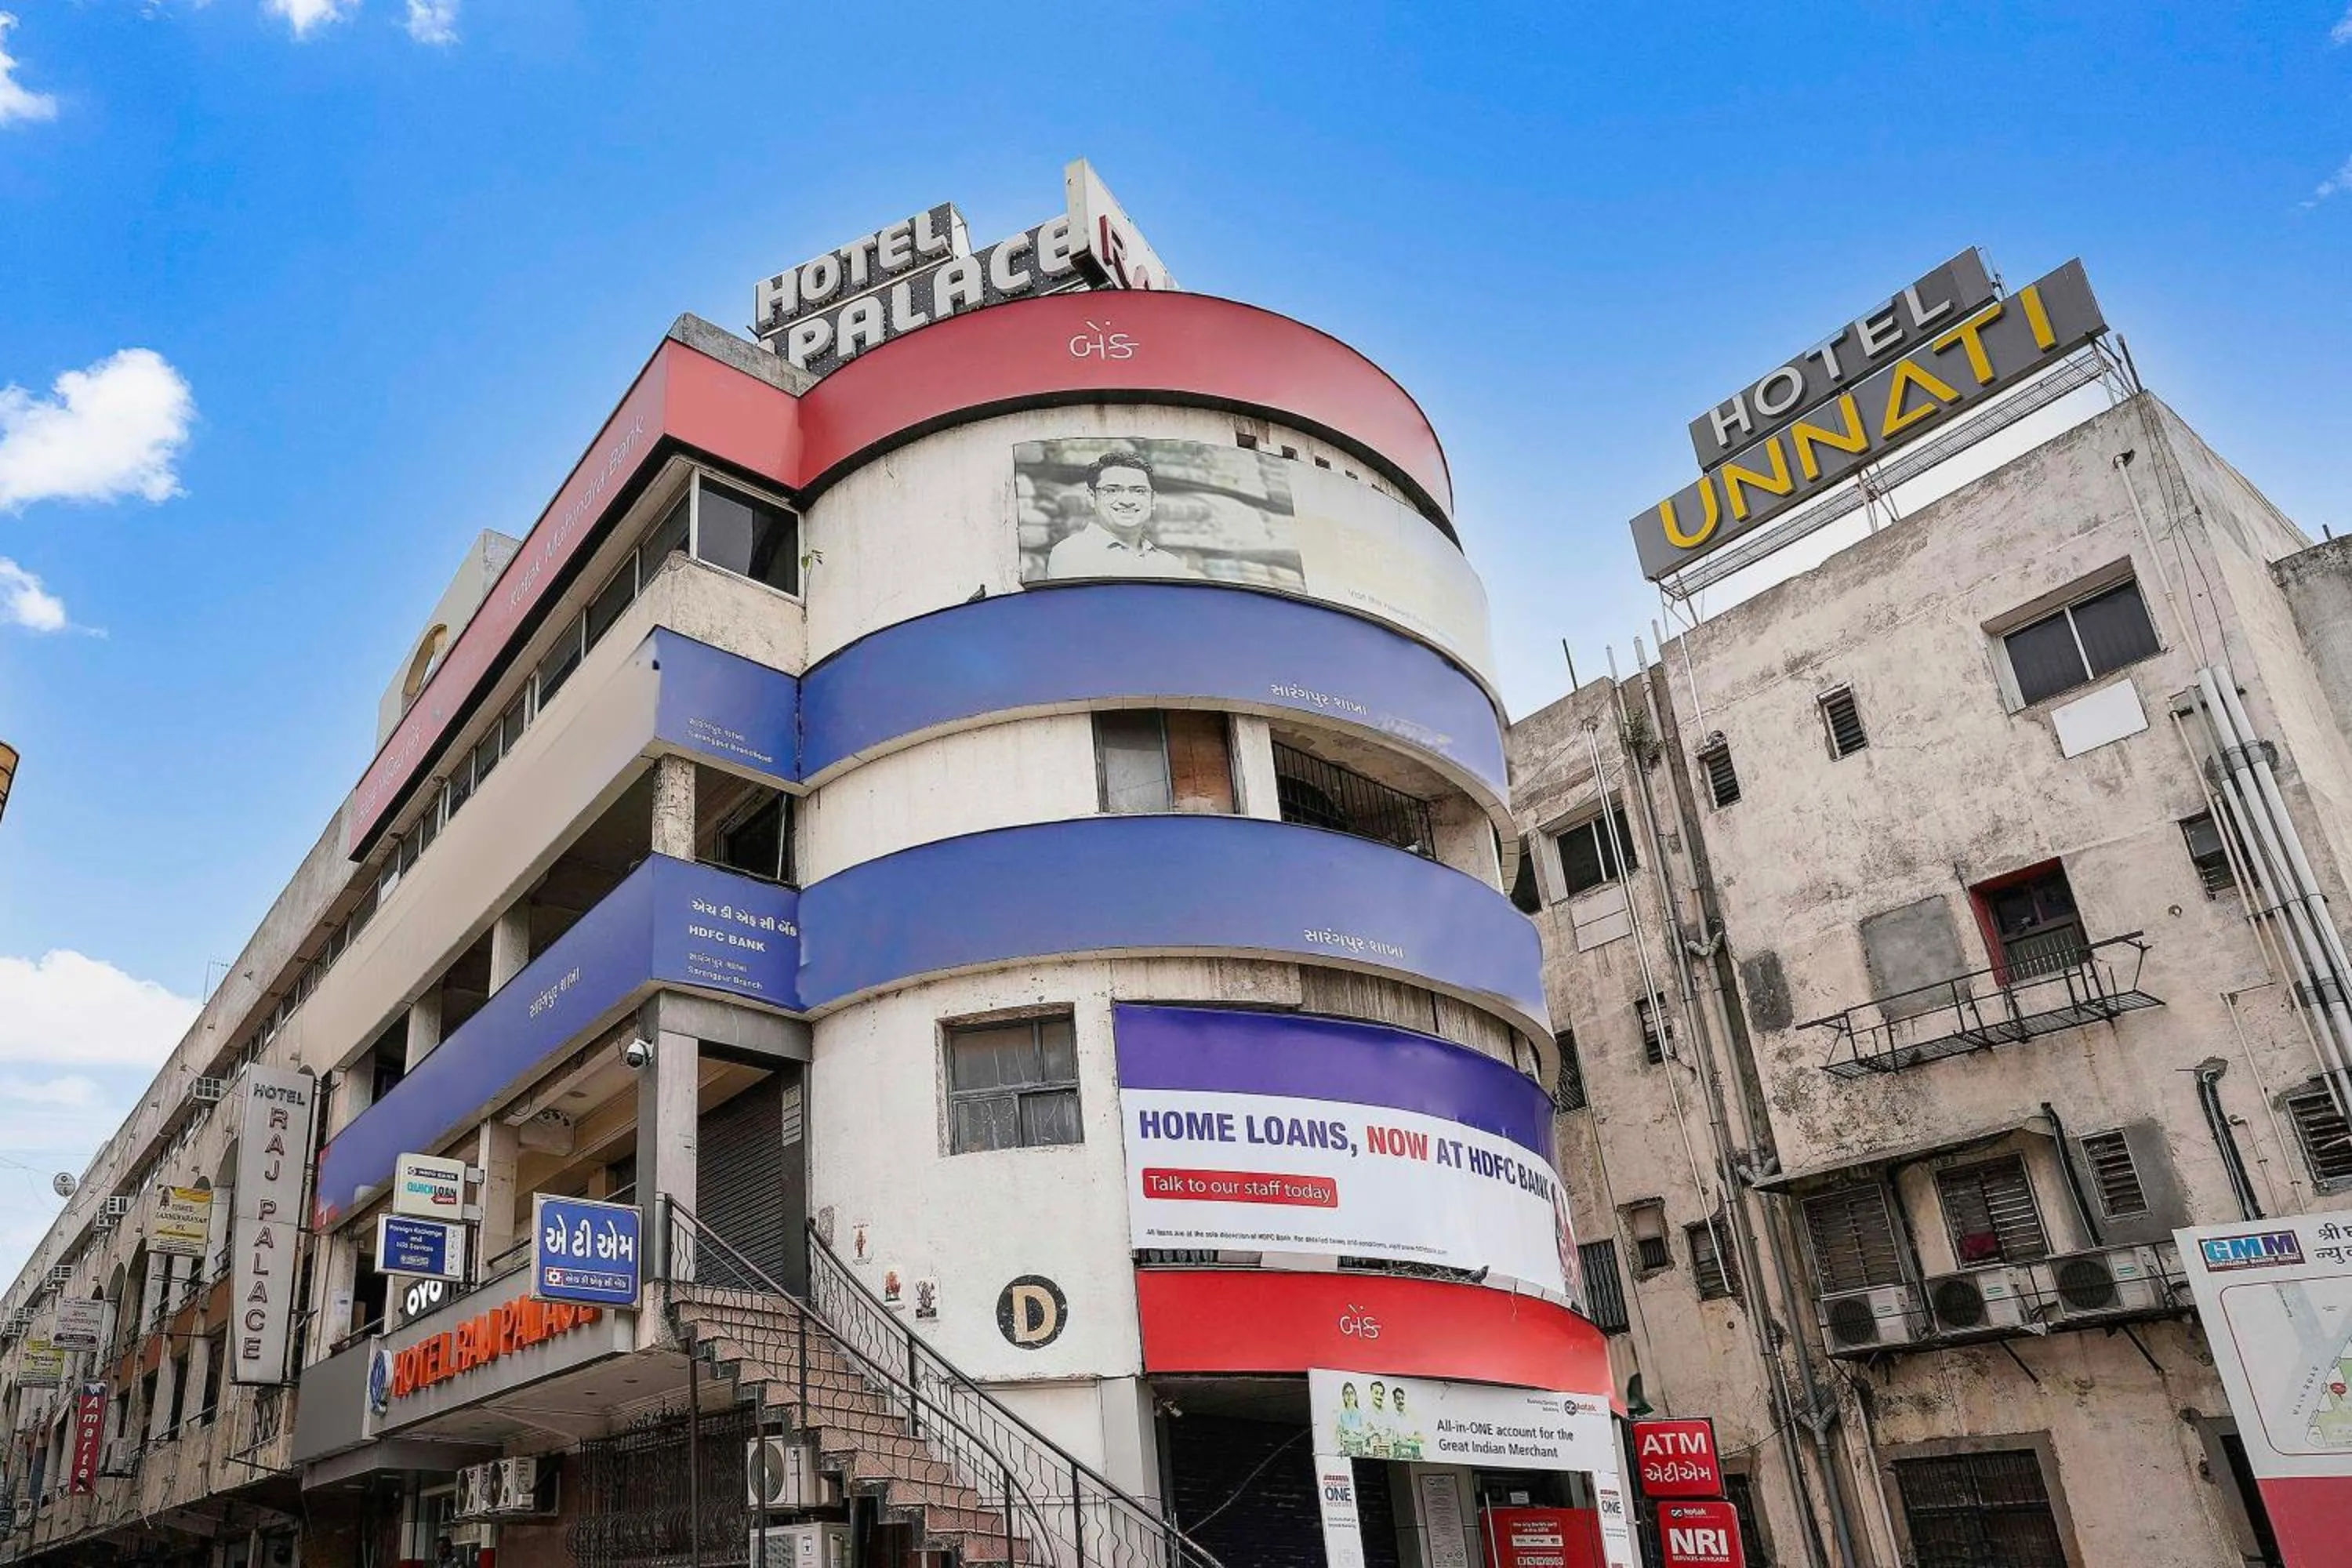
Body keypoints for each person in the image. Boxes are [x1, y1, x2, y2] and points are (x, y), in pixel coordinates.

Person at [1044, 451, 1199, 580]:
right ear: (1092, 497)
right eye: (1112, 490)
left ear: (1153, 500)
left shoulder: (1171, 565)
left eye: (1139, 491)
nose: (1127, 501)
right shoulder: (1072, 553)